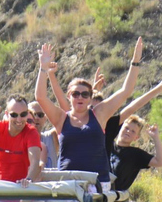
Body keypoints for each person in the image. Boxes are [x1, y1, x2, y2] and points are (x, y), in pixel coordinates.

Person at [35, 39, 143, 189]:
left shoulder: (99, 114)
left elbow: (126, 90)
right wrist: (43, 68)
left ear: (90, 97)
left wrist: (135, 61)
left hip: (97, 182)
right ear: (69, 96)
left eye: (85, 94)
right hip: (67, 181)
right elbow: (40, 97)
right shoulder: (61, 118)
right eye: (76, 94)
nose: (80, 97)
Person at [111, 115, 162, 191]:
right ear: (120, 128)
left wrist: (156, 137)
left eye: (133, 131)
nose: (128, 131)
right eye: (126, 128)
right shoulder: (107, 144)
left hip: (117, 199)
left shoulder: (136, 155)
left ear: (136, 138)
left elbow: (160, 162)